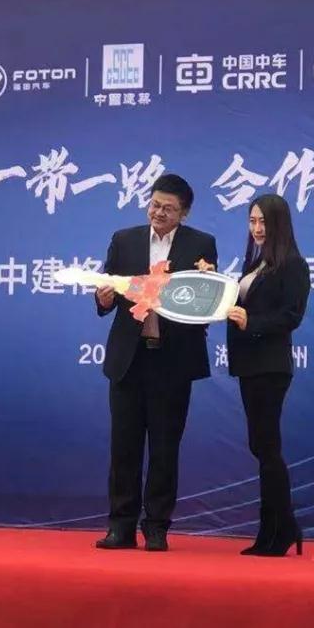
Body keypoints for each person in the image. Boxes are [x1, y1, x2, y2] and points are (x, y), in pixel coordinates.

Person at [93, 174, 217, 552]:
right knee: (124, 447)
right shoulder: (124, 239)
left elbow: (205, 302)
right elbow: (107, 296)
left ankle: (157, 527)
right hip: (128, 360)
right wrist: (103, 298)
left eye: (169, 208)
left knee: (165, 447)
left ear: (184, 213)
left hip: (172, 359)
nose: (159, 213)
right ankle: (120, 526)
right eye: (155, 204)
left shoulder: (201, 244)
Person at [223, 193, 310, 556]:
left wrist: (252, 322)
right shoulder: (256, 263)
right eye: (252, 221)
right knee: (261, 446)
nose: (257, 228)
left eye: (264, 222)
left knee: (267, 447)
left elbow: (291, 316)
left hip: (270, 366)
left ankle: (281, 528)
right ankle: (274, 529)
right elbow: (239, 304)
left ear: (279, 224)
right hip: (249, 364)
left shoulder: (293, 265)